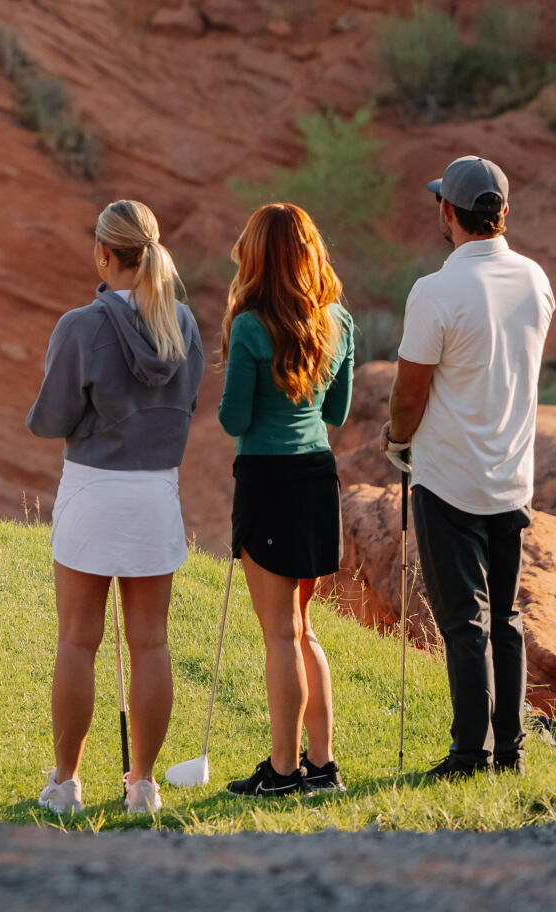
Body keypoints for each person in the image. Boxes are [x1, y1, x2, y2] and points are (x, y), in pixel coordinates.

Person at [24, 200, 203, 818]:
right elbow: (186, 405)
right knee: (151, 644)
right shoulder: (181, 322)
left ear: (104, 254)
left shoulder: (80, 326)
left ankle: (65, 785)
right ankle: (143, 786)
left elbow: (50, 419)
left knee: (78, 641)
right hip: (155, 495)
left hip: (94, 491)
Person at [385, 153, 554, 778]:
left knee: (464, 623)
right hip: (512, 480)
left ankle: (468, 755)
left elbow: (409, 394)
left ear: (447, 212)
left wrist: (396, 440)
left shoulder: (434, 291)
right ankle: (509, 751)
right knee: (505, 618)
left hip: (450, 480)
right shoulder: (535, 279)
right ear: (503, 211)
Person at [215, 202, 356, 799]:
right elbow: (336, 412)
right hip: (318, 478)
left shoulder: (249, 326)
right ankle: (321, 764)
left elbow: (234, 419)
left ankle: (282, 771)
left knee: (279, 632)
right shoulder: (340, 320)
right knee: (302, 629)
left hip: (268, 481)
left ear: (256, 257)